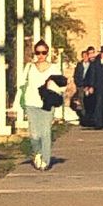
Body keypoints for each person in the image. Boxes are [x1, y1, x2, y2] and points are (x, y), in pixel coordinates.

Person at [16, 39, 64, 170]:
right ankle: (37, 152)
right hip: (31, 102)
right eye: (38, 52)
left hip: (47, 103)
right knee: (34, 135)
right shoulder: (29, 67)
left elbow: (61, 85)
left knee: (46, 132)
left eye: (43, 52)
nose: (41, 55)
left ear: (47, 53)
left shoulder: (54, 68)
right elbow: (21, 84)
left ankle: (45, 160)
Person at [81, 45, 98, 127]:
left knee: (95, 105)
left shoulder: (97, 62)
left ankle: (95, 121)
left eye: (92, 53)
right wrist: (86, 86)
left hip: (96, 88)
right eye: (89, 53)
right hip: (88, 88)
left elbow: (97, 76)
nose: (91, 55)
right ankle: (89, 121)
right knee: (88, 104)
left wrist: (93, 86)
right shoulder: (89, 64)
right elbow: (87, 76)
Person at [72, 49, 89, 125]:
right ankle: (83, 118)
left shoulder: (91, 64)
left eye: (86, 56)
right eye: (83, 56)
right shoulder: (79, 65)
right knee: (81, 101)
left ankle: (89, 117)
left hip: (88, 86)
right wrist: (78, 84)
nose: (84, 57)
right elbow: (76, 75)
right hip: (80, 86)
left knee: (88, 101)